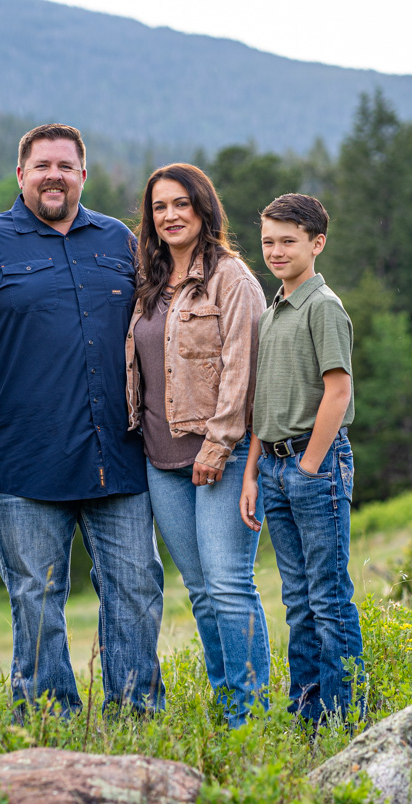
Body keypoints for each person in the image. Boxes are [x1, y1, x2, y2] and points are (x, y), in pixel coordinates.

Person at [0, 124, 165, 715]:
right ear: (21, 174)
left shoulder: (119, 240)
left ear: (83, 174)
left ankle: (135, 718)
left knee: (136, 591)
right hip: (25, 463)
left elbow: (165, 326)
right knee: (36, 601)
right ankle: (50, 723)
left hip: (117, 457)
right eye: (42, 165)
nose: (54, 175)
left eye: (66, 166)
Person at [123, 163, 269, 727]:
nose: (170, 215)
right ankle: (229, 702)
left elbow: (245, 366)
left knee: (230, 585)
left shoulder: (231, 278)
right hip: (160, 460)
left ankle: (251, 716)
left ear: (204, 209)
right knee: (202, 591)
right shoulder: (150, 281)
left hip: (221, 457)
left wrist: (220, 441)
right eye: (160, 207)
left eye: (181, 204)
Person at [239, 193, 365, 727]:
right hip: (272, 467)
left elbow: (337, 391)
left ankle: (343, 719)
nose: (275, 250)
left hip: (313, 466)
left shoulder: (323, 307)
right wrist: (253, 473)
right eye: (268, 241)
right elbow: (261, 405)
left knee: (330, 598)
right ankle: (307, 718)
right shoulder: (273, 313)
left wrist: (310, 466)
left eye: (288, 241)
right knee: (299, 602)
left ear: (317, 243)